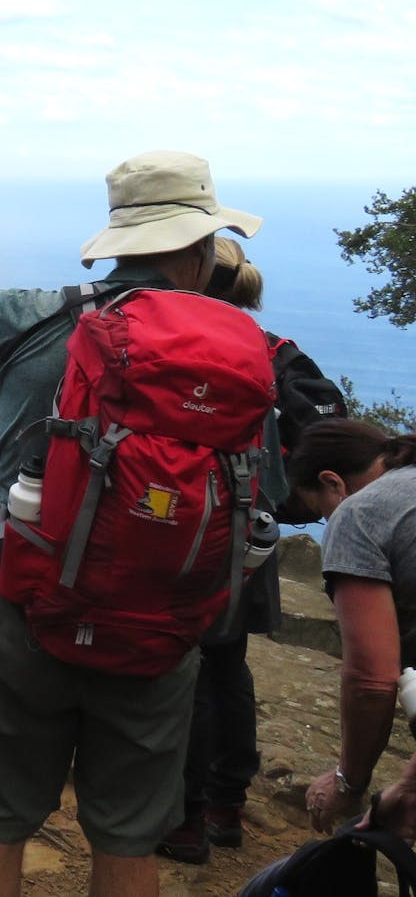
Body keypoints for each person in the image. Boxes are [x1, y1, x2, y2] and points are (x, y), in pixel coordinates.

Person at [0, 150, 262, 897]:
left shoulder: (40, 315)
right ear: (200, 249)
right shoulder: (239, 359)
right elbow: (258, 497)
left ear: (117, 238)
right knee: (127, 835)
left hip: (31, 605)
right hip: (160, 629)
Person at [157, 237, 316, 862]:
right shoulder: (273, 350)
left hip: (195, 534)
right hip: (255, 535)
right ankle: (226, 806)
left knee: (189, 671)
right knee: (228, 667)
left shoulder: (198, 347)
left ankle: (185, 818)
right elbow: (324, 430)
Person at [286, 419, 416, 833]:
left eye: (321, 512)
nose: (329, 521)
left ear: (333, 483)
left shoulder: (360, 514)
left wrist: (348, 782)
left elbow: (372, 680)